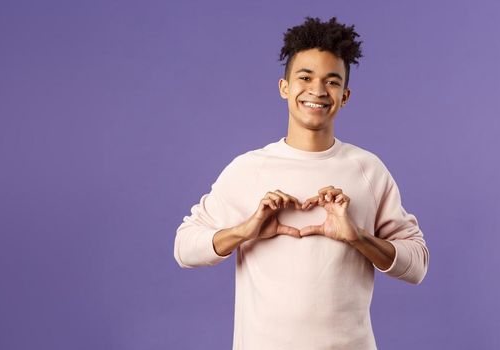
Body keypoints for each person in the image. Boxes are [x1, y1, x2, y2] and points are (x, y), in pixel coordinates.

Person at [173, 16, 429, 349]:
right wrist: (245, 230)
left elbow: (417, 265)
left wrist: (357, 237)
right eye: (305, 77)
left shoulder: (367, 169)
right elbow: (184, 248)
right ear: (285, 87)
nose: (318, 90)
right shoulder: (249, 169)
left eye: (332, 81)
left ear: (345, 95)